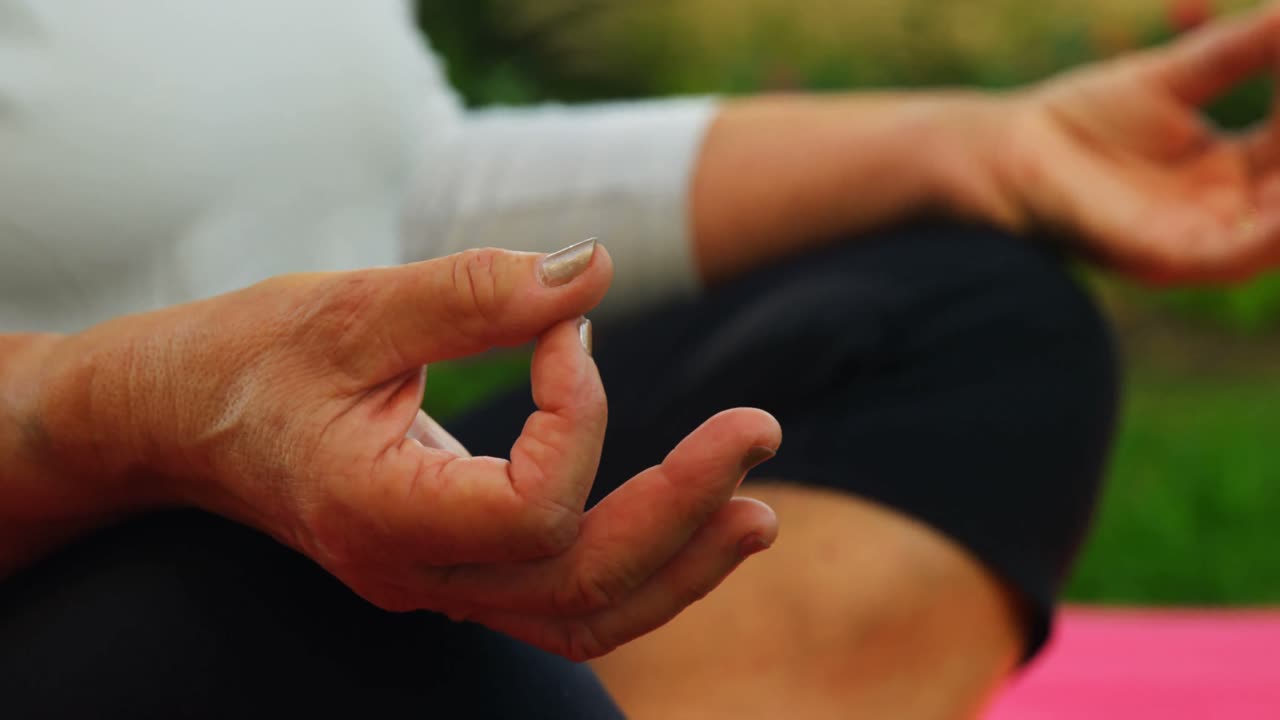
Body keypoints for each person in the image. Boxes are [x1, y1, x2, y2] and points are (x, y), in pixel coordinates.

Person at [2, 1, 1278, 717]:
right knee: (285, 618)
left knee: (974, 332)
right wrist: (133, 414)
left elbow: (393, 178)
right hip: (81, 537)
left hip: (300, 466)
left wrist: (971, 147)